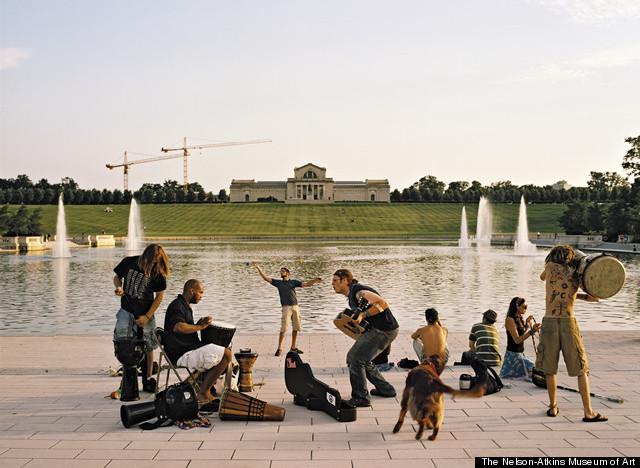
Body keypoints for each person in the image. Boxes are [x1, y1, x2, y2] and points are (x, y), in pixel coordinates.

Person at [536, 245, 607, 422]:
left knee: (550, 370)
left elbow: (542, 278)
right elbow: (594, 297)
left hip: (550, 322)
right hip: (569, 322)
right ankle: (588, 412)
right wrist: (575, 295)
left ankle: (553, 407)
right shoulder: (576, 274)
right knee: (581, 369)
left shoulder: (549, 268)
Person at [332, 269, 399, 407]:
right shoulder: (352, 294)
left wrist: (363, 315)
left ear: (345, 280)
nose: (332, 284)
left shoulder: (358, 292)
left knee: (354, 358)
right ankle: (386, 389)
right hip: (382, 329)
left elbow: (383, 303)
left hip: (383, 330)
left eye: (334, 281)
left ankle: (361, 398)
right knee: (364, 360)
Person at [163, 279, 232, 403]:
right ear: (191, 291)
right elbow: (178, 327)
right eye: (200, 292)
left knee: (222, 350)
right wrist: (199, 327)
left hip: (187, 349)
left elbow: (184, 327)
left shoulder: (184, 305)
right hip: (181, 353)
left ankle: (205, 388)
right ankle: (203, 393)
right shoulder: (177, 305)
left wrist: (198, 324)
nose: (201, 296)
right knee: (226, 354)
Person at [113, 243, 169, 392]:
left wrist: (147, 316)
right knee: (124, 342)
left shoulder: (158, 273)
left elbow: (159, 296)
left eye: (156, 262)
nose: (152, 265)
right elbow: (117, 277)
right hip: (126, 310)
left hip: (146, 312)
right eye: (150, 261)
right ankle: (127, 378)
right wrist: (118, 287)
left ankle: (148, 378)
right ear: (145, 256)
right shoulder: (129, 262)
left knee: (149, 345)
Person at [252, 262, 321, 356]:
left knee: (296, 327)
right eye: (281, 272)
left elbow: (307, 285)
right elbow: (265, 278)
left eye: (283, 271)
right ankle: (279, 348)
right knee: (283, 329)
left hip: (295, 307)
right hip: (286, 308)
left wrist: (315, 280)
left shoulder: (293, 282)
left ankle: (293, 347)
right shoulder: (278, 283)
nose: (281, 273)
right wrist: (258, 268)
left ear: (288, 273)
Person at [499, 297, 541, 379]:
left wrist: (527, 325)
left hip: (520, 354)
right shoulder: (510, 320)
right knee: (534, 370)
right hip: (513, 356)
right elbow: (517, 340)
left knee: (537, 369)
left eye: (526, 307)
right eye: (524, 307)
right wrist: (532, 331)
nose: (526, 309)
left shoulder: (519, 319)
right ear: (517, 306)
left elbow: (521, 334)